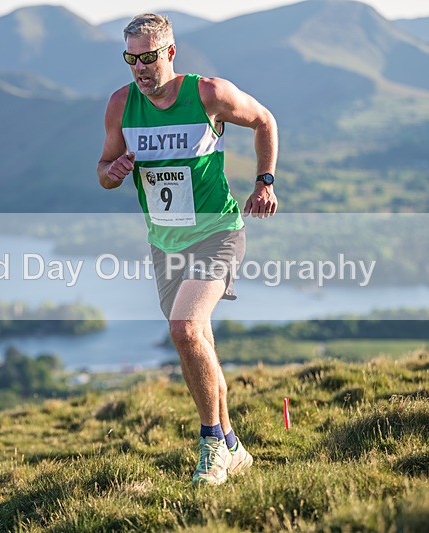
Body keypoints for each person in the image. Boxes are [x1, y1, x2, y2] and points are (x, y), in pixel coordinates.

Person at [97, 13, 278, 486]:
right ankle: (235, 448)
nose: (139, 68)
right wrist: (111, 172)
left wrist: (264, 182)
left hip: (218, 233)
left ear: (170, 54)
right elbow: (102, 168)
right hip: (164, 242)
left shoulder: (208, 94)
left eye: (148, 57)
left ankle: (212, 445)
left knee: (184, 328)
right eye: (131, 58)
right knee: (200, 342)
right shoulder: (121, 104)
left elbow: (264, 121)